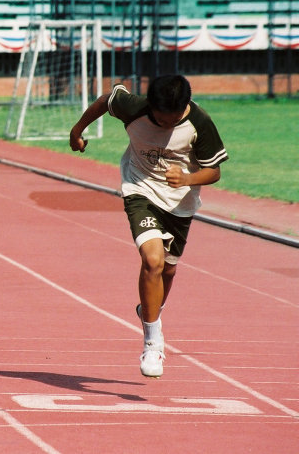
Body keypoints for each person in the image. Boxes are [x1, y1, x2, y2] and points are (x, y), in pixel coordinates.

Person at [69, 75, 228, 377]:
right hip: (140, 188)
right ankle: (153, 344)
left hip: (180, 202)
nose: (166, 125)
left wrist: (187, 178)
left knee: (167, 269)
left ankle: (148, 310)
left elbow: (214, 171)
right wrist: (77, 131)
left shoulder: (199, 122)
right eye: (161, 119)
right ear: (151, 105)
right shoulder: (134, 107)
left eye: (173, 120)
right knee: (152, 260)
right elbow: (105, 101)